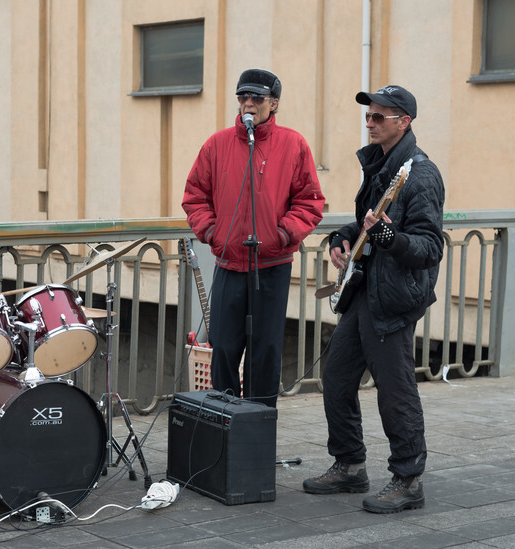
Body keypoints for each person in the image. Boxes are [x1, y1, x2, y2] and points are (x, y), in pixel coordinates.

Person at [302, 85, 445, 514]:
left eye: (380, 117)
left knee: (395, 390)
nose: (370, 122)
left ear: (404, 121)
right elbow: (363, 224)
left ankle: (408, 479)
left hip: (395, 298)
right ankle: (349, 465)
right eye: (368, 116)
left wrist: (390, 238)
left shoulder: (418, 175)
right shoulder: (382, 166)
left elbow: (428, 247)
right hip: (366, 288)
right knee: (338, 377)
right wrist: (342, 239)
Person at [182, 68, 325, 408]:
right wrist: (215, 234)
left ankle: (259, 429)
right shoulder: (216, 145)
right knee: (224, 350)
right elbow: (195, 197)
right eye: (243, 97)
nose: (248, 103)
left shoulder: (293, 144)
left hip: (271, 266)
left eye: (256, 98)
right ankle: (226, 425)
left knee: (265, 352)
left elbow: (310, 201)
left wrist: (281, 234)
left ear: (273, 103)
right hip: (229, 264)